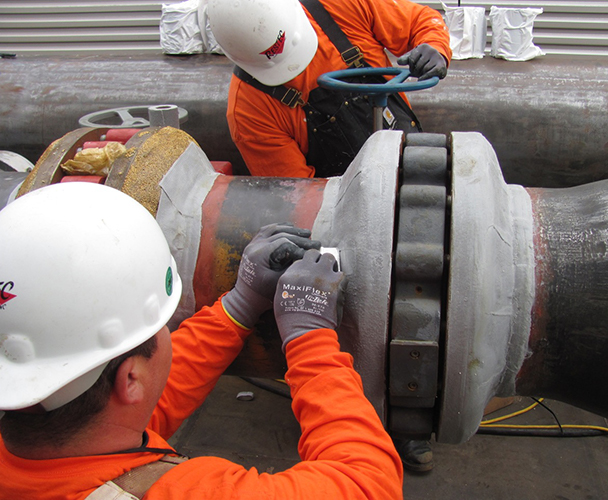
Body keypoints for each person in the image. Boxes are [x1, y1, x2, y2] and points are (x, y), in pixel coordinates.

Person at [0, 182, 403, 499]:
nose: (169, 334)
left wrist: (239, 305)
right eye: (163, 326)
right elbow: (367, 484)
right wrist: (310, 338)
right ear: (131, 379)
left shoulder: (41, 436)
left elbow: (125, 407)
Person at [210, 0, 452, 178]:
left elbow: (419, 21)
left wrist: (434, 46)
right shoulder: (248, 111)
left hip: (415, 161)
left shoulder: (339, 5)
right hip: (347, 211)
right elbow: (300, 198)